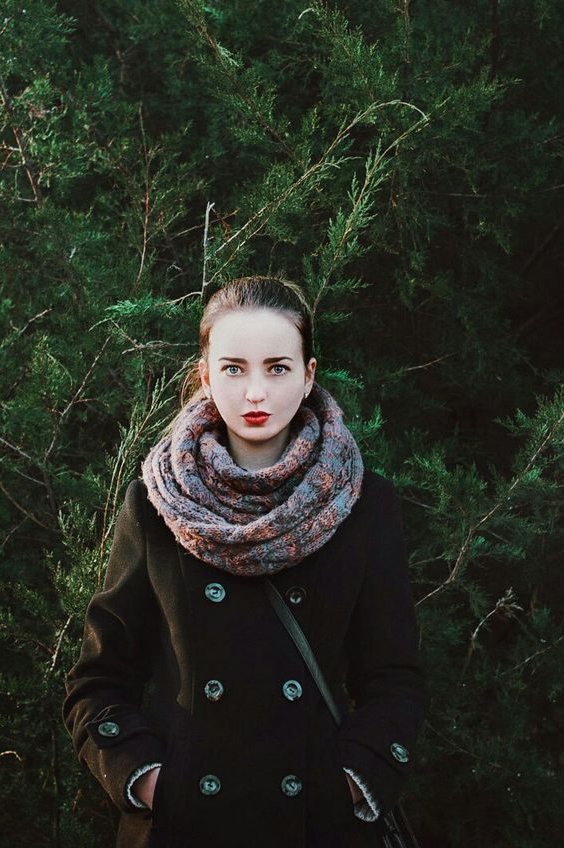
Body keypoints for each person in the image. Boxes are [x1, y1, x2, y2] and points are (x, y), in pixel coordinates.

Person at [62, 276, 428, 848]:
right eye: (233, 368)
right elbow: (99, 678)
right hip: (186, 825)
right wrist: (152, 781)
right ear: (205, 375)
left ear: (309, 376)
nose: (255, 392)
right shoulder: (158, 503)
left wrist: (348, 785)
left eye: (277, 368)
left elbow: (394, 678)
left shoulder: (363, 504)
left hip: (311, 826)